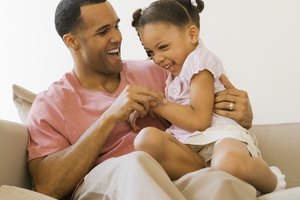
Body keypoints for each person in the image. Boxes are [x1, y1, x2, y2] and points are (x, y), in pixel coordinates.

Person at [26, 0, 257, 199]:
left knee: (222, 184)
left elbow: (205, 114)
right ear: (72, 42)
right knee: (136, 164)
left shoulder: (160, 71)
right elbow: (47, 186)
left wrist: (242, 114)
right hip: (112, 181)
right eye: (103, 31)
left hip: (172, 175)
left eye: (116, 26)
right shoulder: (50, 104)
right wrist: (108, 118)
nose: (116, 37)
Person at [131, 0, 285, 194]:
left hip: (219, 136)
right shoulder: (174, 73)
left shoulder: (199, 61)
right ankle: (212, 178)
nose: (157, 58)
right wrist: (144, 107)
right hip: (190, 144)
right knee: (145, 140)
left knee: (228, 162)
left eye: (163, 47)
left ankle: (271, 179)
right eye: (150, 52)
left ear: (192, 35)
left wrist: (156, 104)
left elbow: (200, 120)